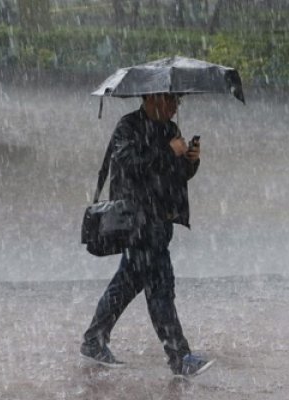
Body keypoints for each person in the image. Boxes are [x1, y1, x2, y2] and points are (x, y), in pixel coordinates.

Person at [80, 93, 214, 377]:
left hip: (160, 221)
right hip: (138, 222)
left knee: (126, 284)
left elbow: (176, 173)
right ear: (152, 98)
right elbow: (129, 165)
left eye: (178, 101)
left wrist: (190, 161)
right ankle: (179, 356)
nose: (176, 106)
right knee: (160, 289)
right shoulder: (127, 127)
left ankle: (94, 340)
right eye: (171, 100)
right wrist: (168, 152)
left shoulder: (170, 129)